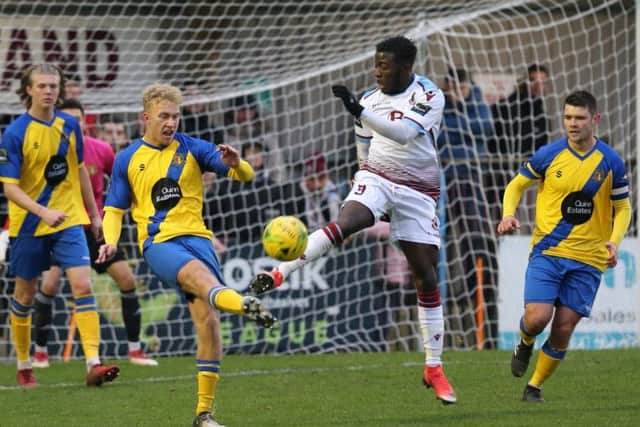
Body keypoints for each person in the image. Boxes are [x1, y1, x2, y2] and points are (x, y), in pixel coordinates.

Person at [249, 36, 457, 404]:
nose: (377, 71)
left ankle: (433, 367)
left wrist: (358, 109)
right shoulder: (369, 100)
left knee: (425, 275)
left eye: (385, 65)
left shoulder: (429, 95)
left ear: (406, 67)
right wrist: (362, 170)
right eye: (375, 64)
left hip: (419, 192)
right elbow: (364, 138)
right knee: (343, 224)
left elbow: (406, 133)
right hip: (376, 177)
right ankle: (280, 274)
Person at [96, 82, 275, 427]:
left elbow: (245, 177)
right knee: (205, 281)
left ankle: (203, 414)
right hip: (160, 244)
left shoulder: (193, 148)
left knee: (208, 323)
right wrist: (111, 241)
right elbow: (115, 209)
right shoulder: (128, 158)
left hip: (199, 240)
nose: (171, 122)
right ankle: (244, 303)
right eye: (164, 116)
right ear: (145, 117)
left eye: (175, 116)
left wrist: (238, 164)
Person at [497, 90, 631, 402]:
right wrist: (508, 214)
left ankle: (534, 387)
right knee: (537, 318)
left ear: (594, 120)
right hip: (549, 251)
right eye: (568, 117)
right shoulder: (549, 154)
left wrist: (614, 241)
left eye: (580, 118)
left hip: (589, 260)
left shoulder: (610, 161)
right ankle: (525, 341)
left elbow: (623, 208)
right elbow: (516, 184)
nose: (572, 123)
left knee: (562, 330)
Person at [0, 64, 119, 387]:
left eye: (54, 85)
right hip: (29, 224)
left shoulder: (70, 125)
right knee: (24, 294)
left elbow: (80, 170)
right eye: (42, 86)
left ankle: (93, 363)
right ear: (28, 89)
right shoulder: (14, 134)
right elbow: (9, 187)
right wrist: (42, 211)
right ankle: (24, 365)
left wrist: (94, 215)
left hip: (69, 220)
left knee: (83, 285)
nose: (49, 91)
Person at [31, 98, 157, 368]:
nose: (75, 125)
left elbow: (122, 181)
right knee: (49, 285)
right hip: (63, 229)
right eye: (69, 119)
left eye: (80, 119)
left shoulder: (101, 150)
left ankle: (134, 349)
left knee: (127, 280)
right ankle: (40, 351)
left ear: (86, 122)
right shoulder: (48, 153)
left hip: (96, 229)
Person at [438, 67, 497, 347]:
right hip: (444, 179)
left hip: (471, 177)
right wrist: (460, 122)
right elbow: (437, 134)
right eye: (452, 88)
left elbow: (484, 127)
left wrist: (458, 114)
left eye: (460, 88)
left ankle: (480, 302)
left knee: (475, 239)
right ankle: (446, 308)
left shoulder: (476, 102)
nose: (455, 92)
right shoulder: (437, 102)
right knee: (443, 241)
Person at [492, 64, 550, 158]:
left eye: (542, 82)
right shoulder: (506, 107)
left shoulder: (541, 114)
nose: (537, 86)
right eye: (533, 80)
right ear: (525, 82)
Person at [181, 79, 224, 144]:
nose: (195, 100)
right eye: (189, 95)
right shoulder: (178, 128)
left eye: (198, 94)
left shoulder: (213, 130)